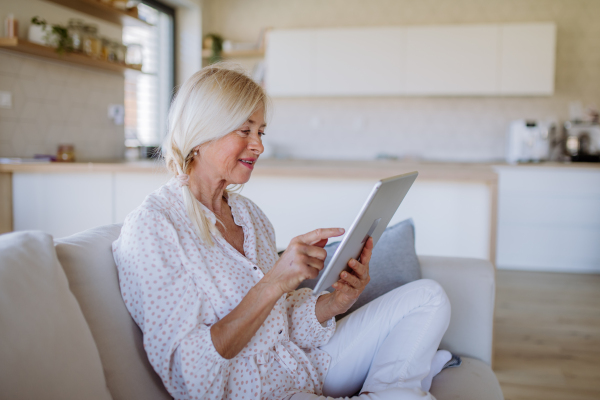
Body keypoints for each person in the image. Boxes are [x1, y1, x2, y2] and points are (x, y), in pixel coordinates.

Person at [112, 64, 451, 400]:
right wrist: (274, 281)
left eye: (260, 132)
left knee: (429, 297)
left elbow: (282, 326)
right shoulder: (154, 227)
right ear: (200, 135)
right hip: (260, 392)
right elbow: (191, 376)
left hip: (303, 369)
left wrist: (335, 302)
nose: (258, 146)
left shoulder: (249, 216)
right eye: (244, 131)